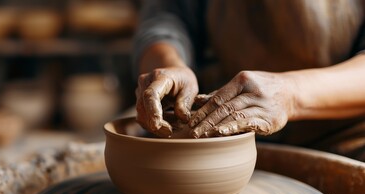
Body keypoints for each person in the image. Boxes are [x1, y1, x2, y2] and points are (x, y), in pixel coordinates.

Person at [133, 0, 365, 161]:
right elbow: (166, 19)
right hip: (222, 128)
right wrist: (171, 65)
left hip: (342, 130)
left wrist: (291, 95)